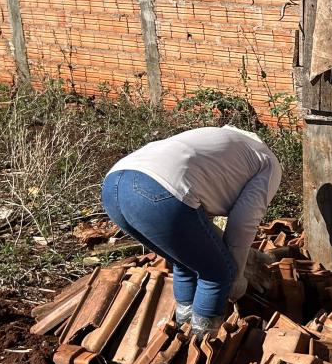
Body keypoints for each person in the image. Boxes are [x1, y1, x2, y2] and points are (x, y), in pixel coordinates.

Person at [101, 125, 282, 339]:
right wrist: (237, 275)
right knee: (218, 274)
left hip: (114, 187)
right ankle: (199, 350)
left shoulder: (218, 143)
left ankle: (181, 335)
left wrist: (236, 256)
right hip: (160, 191)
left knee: (186, 263)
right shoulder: (268, 164)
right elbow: (243, 223)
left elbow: (197, 226)